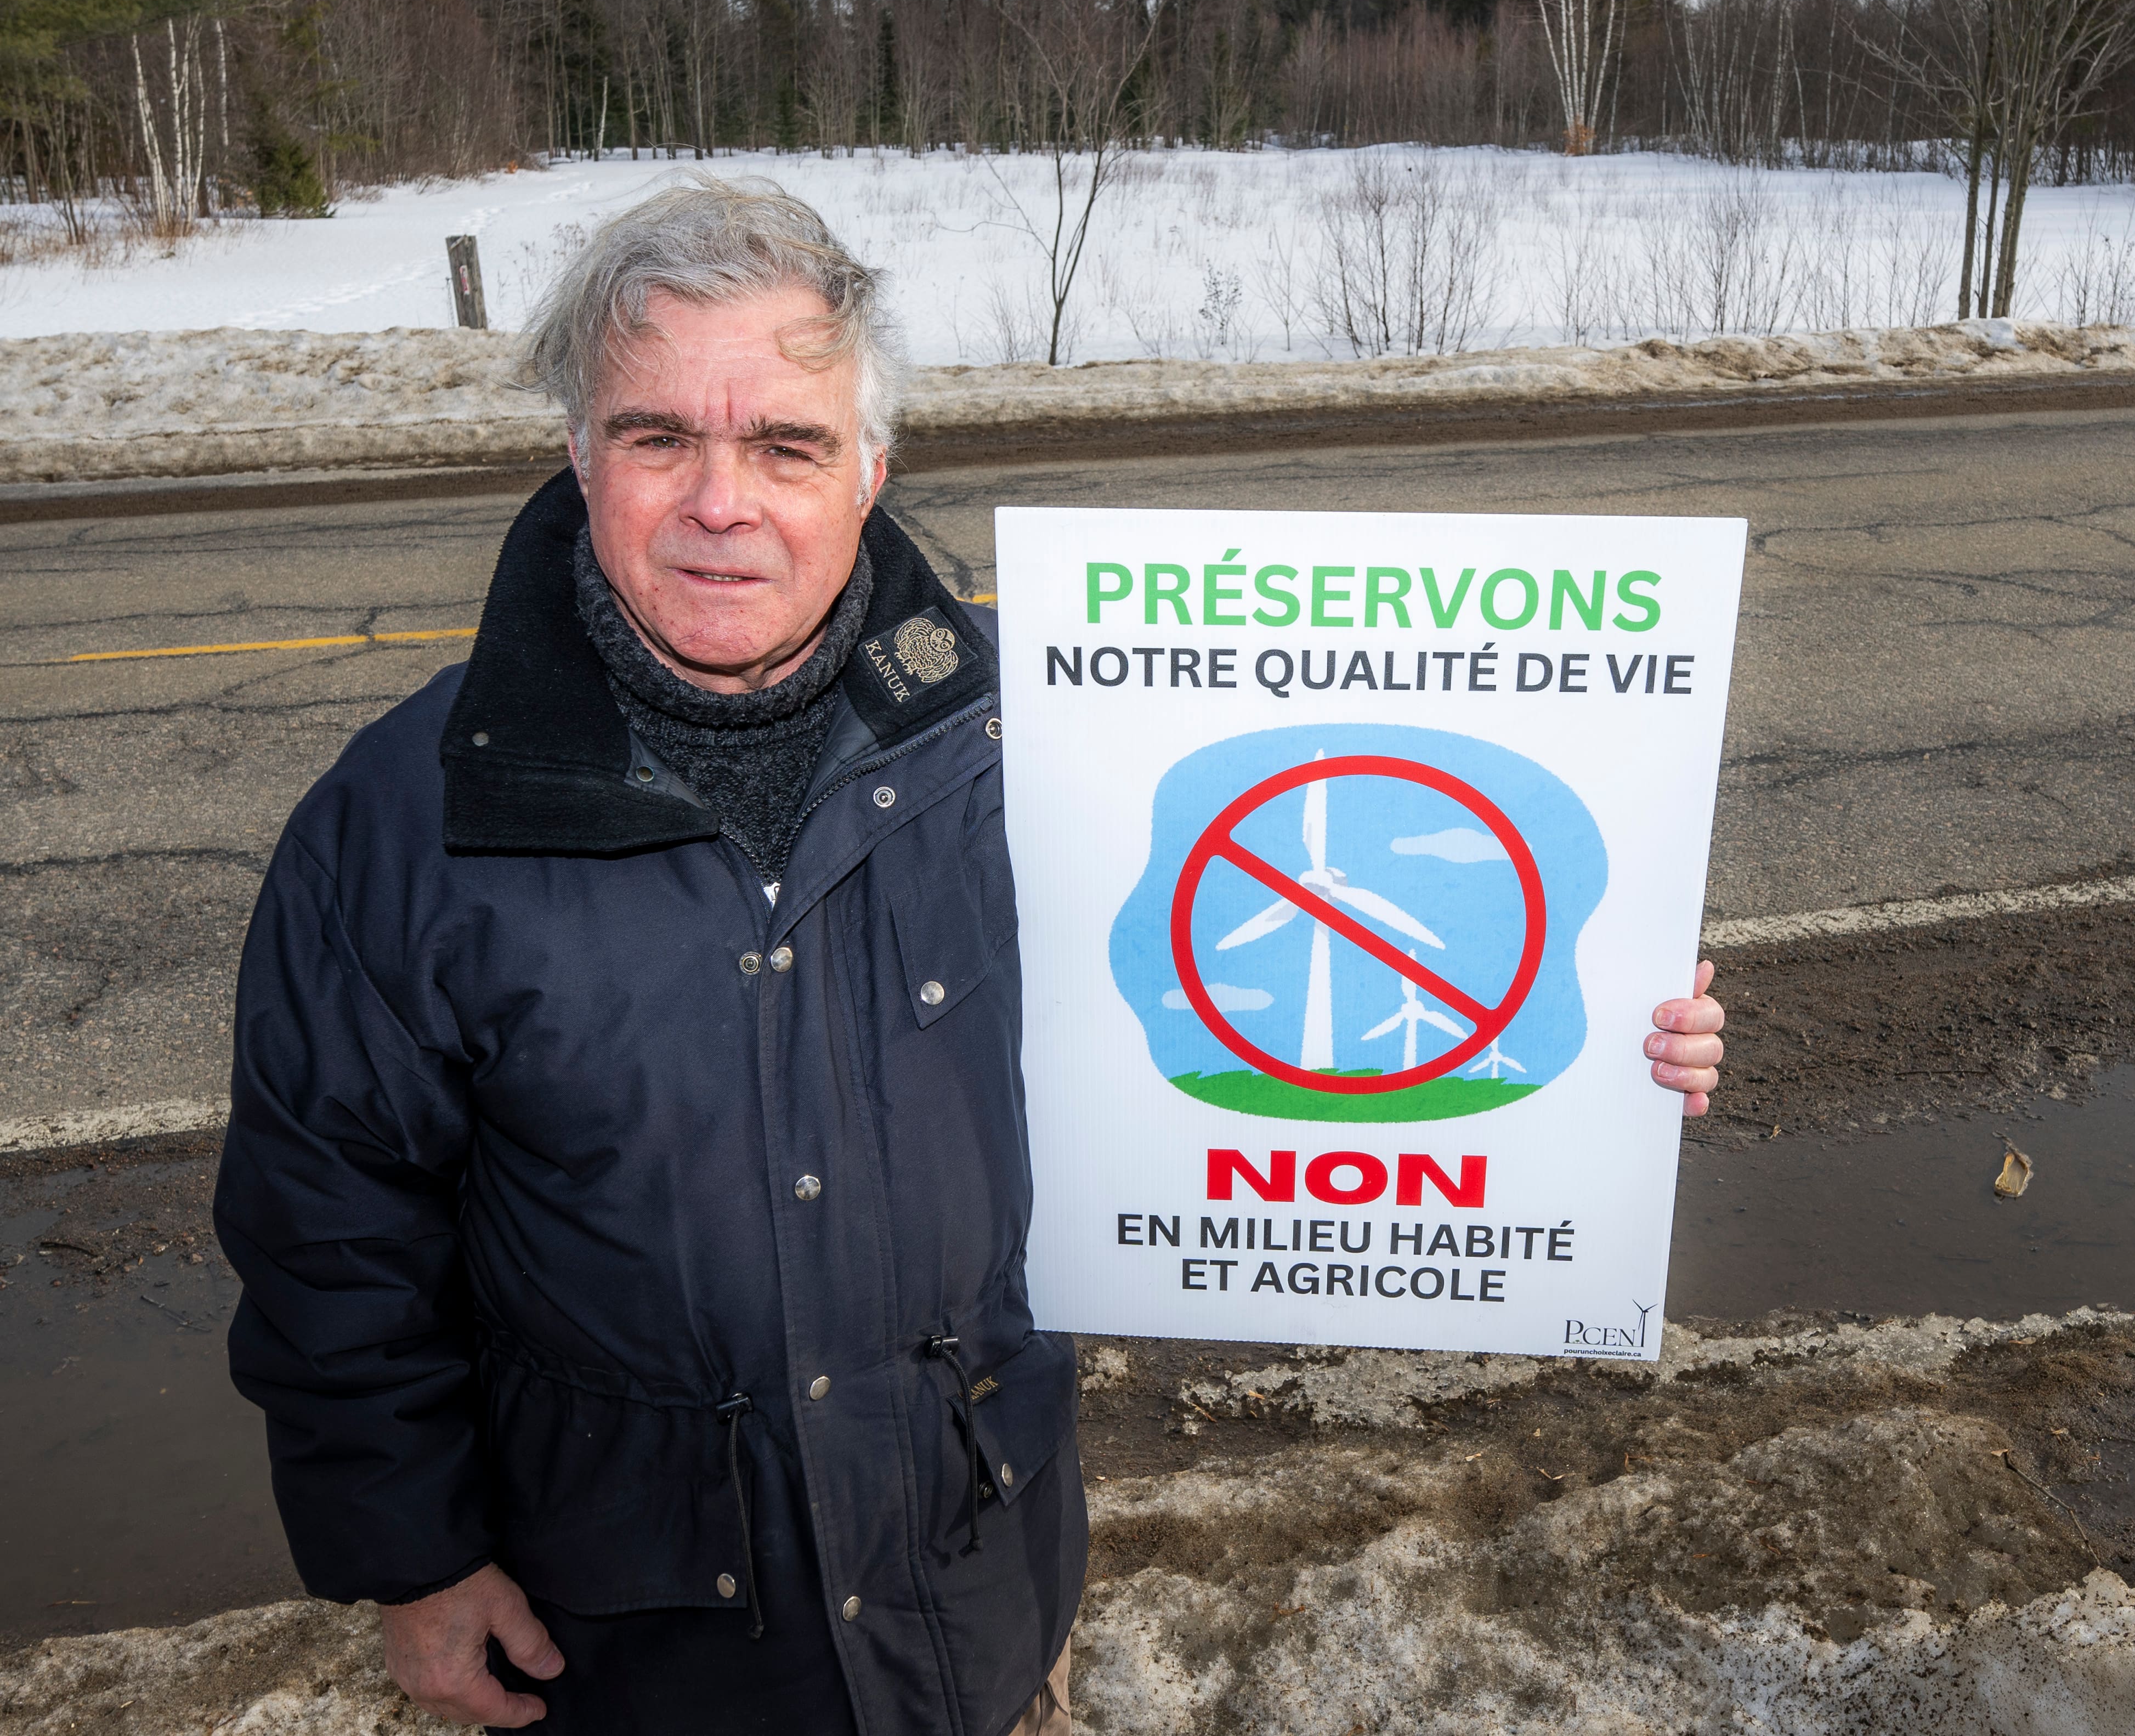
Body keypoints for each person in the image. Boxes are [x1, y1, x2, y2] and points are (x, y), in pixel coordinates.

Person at [213, 177, 1729, 1734]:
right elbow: (329, 1223)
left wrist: (1597, 1051)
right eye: (660, 434)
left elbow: (1274, 966)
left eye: (787, 444)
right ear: (581, 452)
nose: (722, 500)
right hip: (632, 1640)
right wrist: (414, 1557)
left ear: (871, 467)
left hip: (977, 1585)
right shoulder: (412, 818)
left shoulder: (1044, 734)